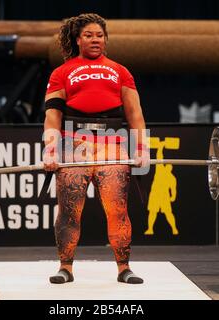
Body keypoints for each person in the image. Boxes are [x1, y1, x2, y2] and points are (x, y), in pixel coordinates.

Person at [43, 13, 149, 284]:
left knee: (117, 210)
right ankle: (65, 268)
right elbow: (53, 116)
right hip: (73, 145)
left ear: (106, 39)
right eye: (89, 35)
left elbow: (135, 113)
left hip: (113, 145)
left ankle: (124, 268)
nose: (95, 40)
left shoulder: (120, 71)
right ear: (78, 39)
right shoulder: (61, 73)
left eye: (99, 35)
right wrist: (51, 149)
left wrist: (142, 148)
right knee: (69, 210)